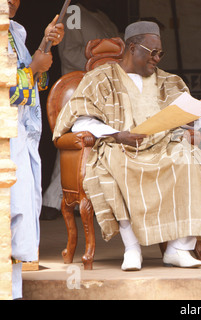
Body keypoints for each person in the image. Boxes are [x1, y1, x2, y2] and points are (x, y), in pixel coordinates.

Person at [52, 21, 201, 271]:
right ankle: (132, 249)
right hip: (120, 145)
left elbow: (183, 126)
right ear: (132, 48)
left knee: (189, 158)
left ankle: (178, 248)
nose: (157, 58)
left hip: (164, 145)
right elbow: (79, 119)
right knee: (116, 163)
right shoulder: (99, 78)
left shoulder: (169, 81)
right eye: (152, 52)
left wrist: (194, 116)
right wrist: (117, 134)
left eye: (160, 53)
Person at [41, 0, 120, 219]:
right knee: (73, 142)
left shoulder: (102, 16)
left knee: (96, 142)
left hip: (104, 89)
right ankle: (54, 200)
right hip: (78, 88)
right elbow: (68, 52)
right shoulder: (74, 12)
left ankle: (84, 200)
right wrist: (98, 62)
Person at [8, 0, 65, 299]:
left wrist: (45, 43)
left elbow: (37, 81)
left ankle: (14, 292)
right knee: (11, 214)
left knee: (22, 214)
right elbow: (9, 88)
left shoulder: (16, 30)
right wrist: (33, 67)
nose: (14, 0)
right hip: (5, 139)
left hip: (22, 135)